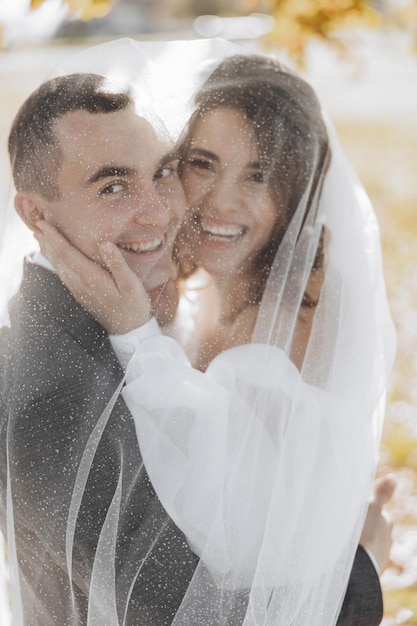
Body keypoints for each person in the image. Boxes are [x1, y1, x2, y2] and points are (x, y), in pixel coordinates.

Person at [33, 45, 396, 625]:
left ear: (298, 187)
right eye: (203, 163)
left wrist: (136, 335)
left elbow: (237, 527)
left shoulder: (311, 307)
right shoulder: (189, 290)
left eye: (259, 174)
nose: (221, 201)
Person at [0, 70, 201, 625]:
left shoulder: (132, 313)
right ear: (36, 215)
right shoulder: (48, 390)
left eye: (161, 172)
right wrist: (364, 568)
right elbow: (185, 609)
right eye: (113, 187)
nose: (158, 212)